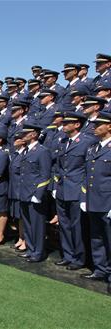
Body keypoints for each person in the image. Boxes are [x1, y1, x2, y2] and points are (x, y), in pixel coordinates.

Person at [53, 111, 94, 270]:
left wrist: (84, 191)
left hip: (77, 189)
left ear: (77, 124)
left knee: (77, 226)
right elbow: (58, 166)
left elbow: (87, 168)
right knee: (64, 225)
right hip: (62, 188)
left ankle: (79, 258)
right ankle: (67, 255)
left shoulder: (86, 141)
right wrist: (55, 186)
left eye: (67, 123)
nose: (64, 125)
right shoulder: (63, 141)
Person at [80, 111, 111, 294]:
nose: (94, 127)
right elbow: (87, 176)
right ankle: (100, 269)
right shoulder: (93, 148)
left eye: (99, 124)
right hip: (93, 200)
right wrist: (84, 198)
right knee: (97, 237)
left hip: (107, 201)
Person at [18, 122, 52, 263]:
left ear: (34, 134)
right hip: (24, 192)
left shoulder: (42, 151)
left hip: (34, 194)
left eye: (25, 134)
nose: (22, 136)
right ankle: (30, 249)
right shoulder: (26, 150)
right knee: (27, 224)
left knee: (37, 226)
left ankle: (38, 252)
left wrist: (38, 194)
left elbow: (45, 175)